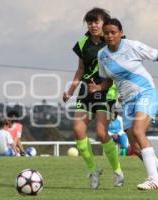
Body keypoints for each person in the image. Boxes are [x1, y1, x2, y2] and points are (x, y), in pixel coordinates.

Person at [88, 18, 158, 190]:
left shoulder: (132, 46)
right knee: (134, 146)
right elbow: (109, 80)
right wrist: (98, 87)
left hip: (145, 93)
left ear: (121, 33)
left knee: (139, 131)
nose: (109, 36)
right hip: (127, 101)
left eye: (113, 32)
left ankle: (153, 179)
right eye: (107, 32)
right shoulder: (102, 55)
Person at [63, 8, 124, 189]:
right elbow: (81, 69)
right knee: (78, 130)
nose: (93, 25)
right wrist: (71, 89)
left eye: (96, 22)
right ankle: (93, 170)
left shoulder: (113, 40)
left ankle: (118, 171)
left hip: (107, 91)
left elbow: (122, 66)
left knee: (101, 132)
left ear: (104, 22)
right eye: (90, 23)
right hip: (86, 91)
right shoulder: (83, 42)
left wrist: (122, 90)